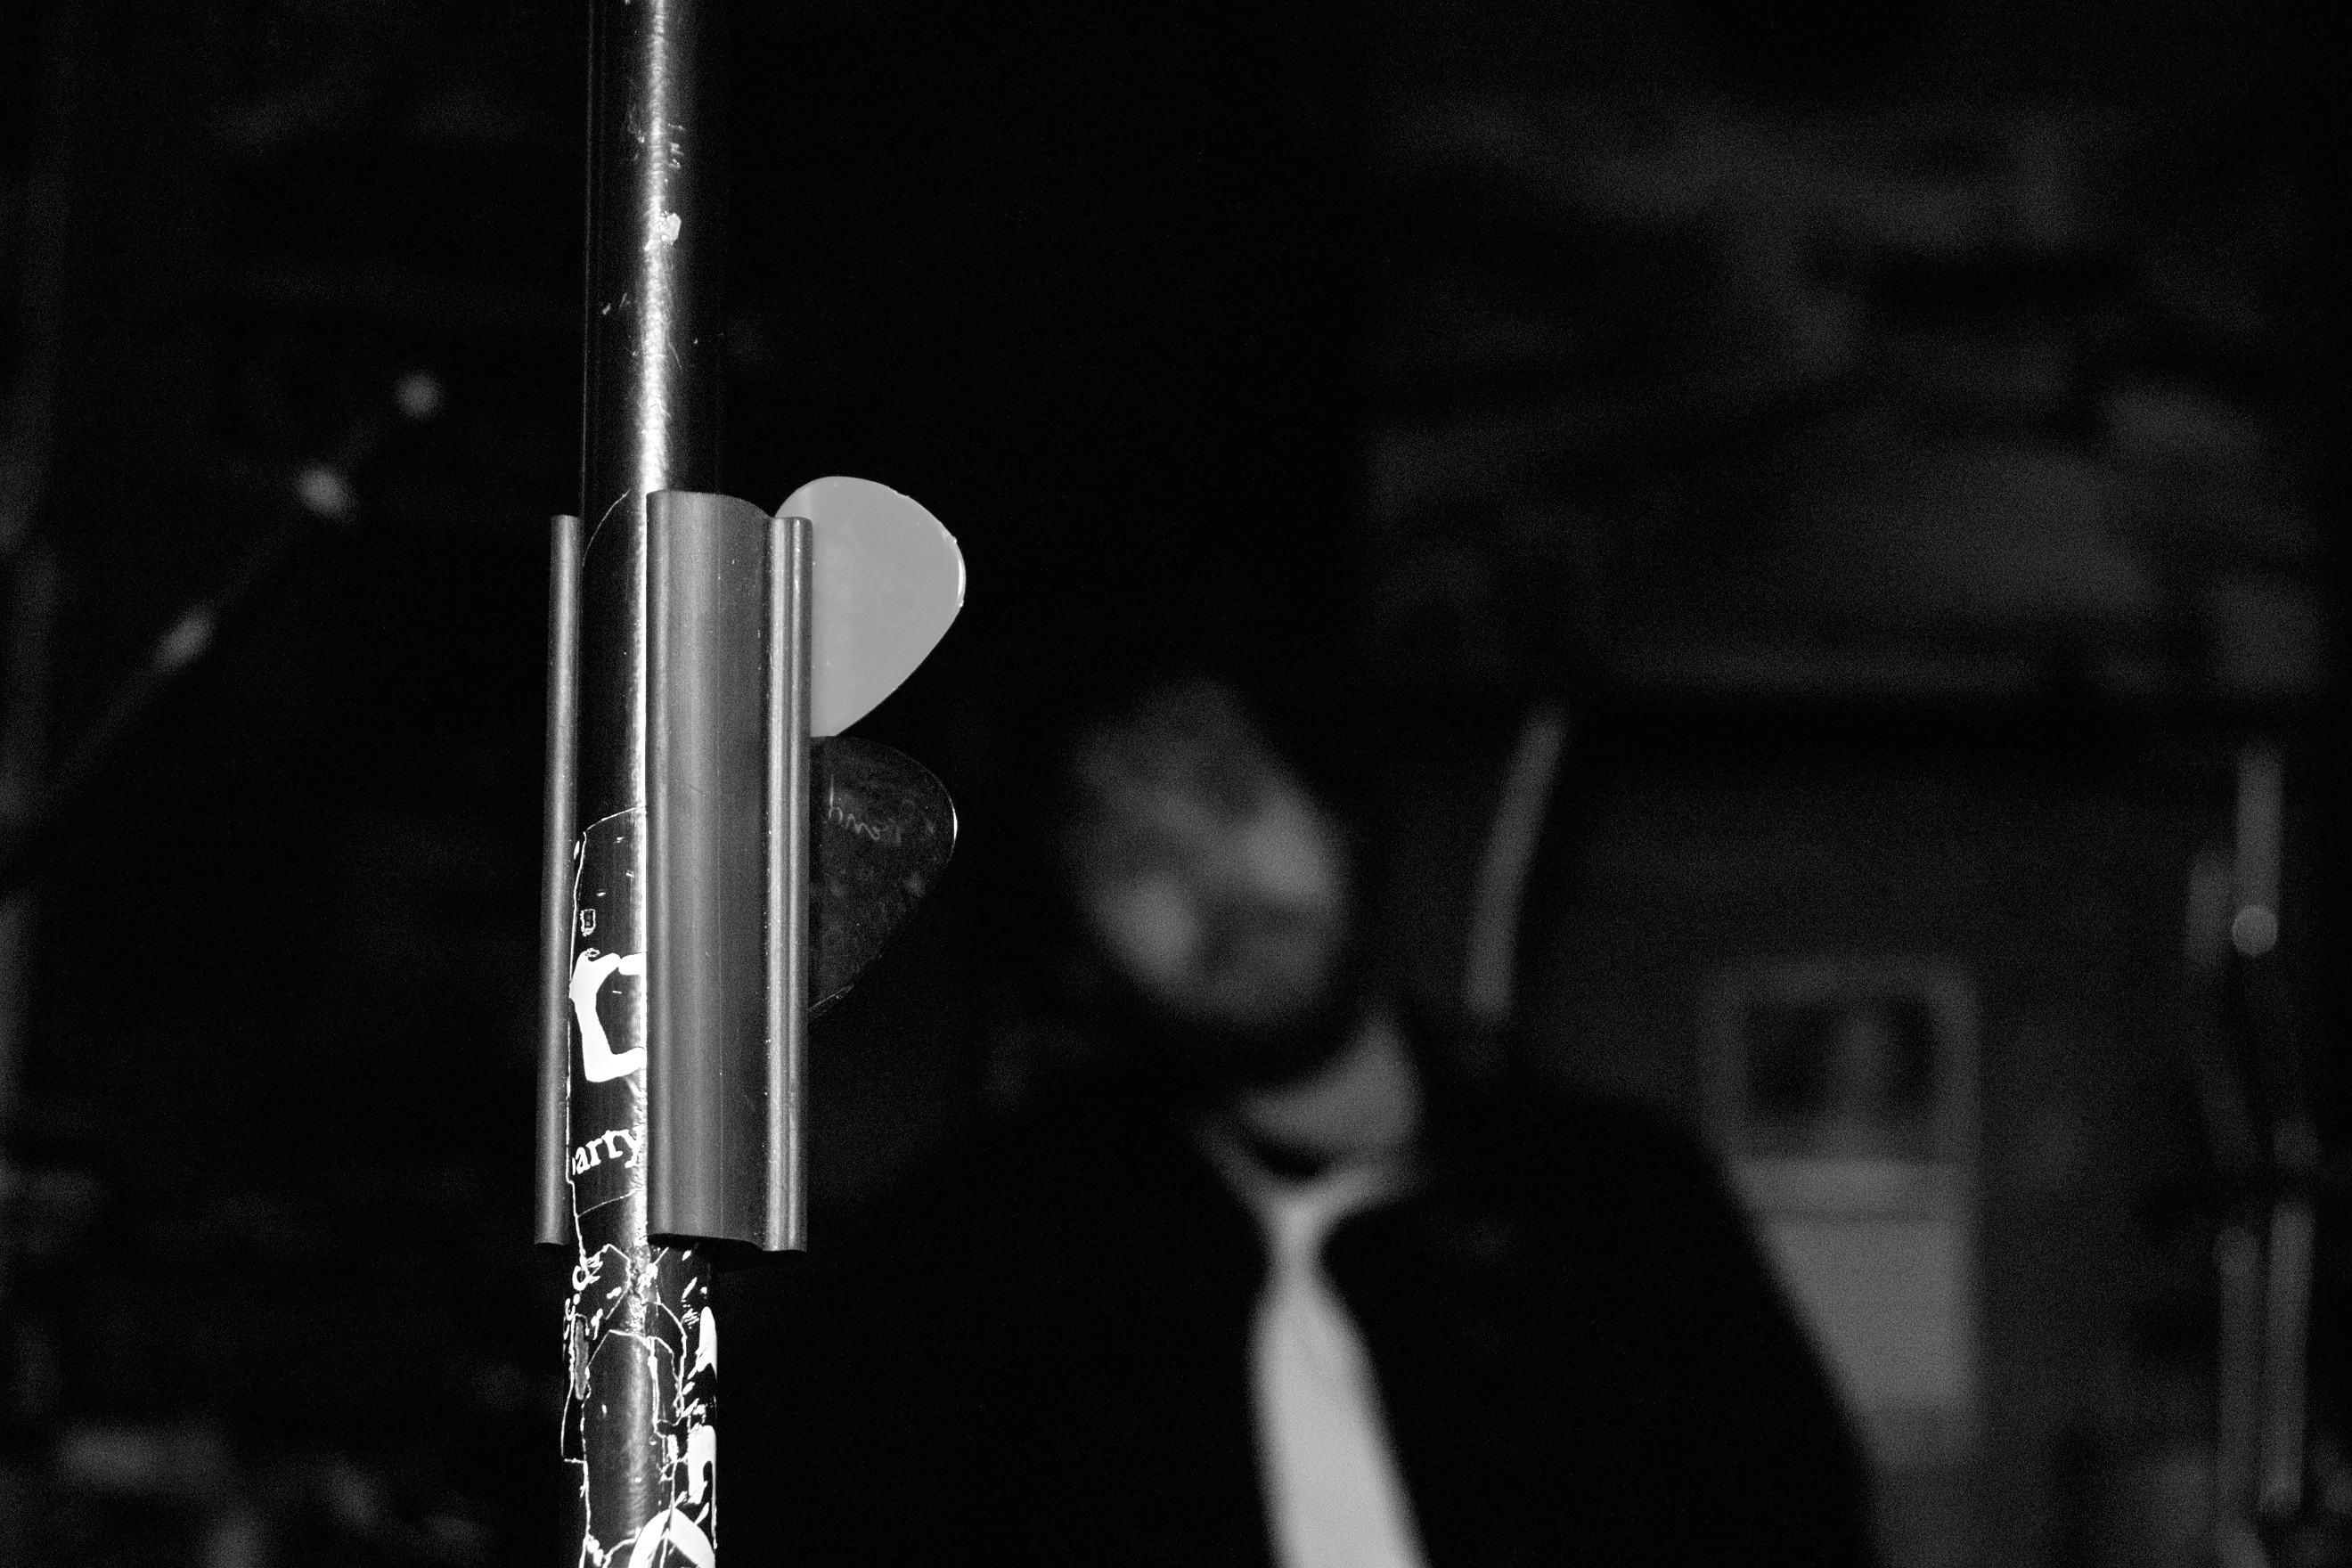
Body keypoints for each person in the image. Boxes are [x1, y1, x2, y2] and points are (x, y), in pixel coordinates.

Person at [737, 674, 1875, 1567]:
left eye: (1230, 798)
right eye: (1133, 855)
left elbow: (1799, 1523)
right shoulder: (988, 1260)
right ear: (1079, 938)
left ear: (1332, 814)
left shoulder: (1624, 1202)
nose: (1211, 881)